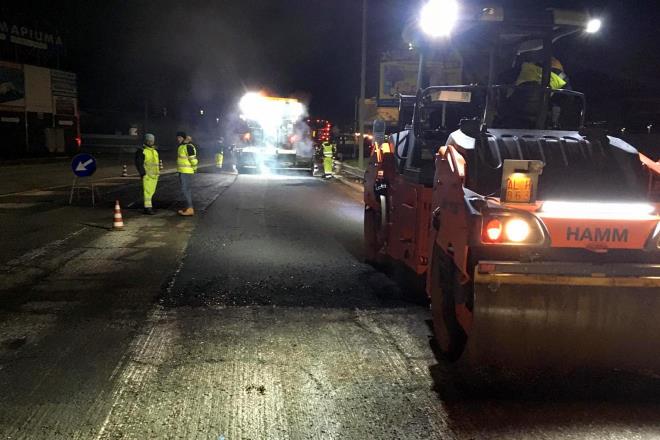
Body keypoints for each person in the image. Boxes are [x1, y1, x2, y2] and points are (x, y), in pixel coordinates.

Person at [134, 133, 159, 215]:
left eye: (152, 140)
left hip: (155, 175)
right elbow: (138, 163)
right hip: (147, 175)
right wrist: (142, 173)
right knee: (147, 192)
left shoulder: (154, 151)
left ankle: (149, 206)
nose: (151, 141)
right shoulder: (142, 151)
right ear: (146, 140)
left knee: (151, 192)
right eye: (149, 140)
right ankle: (148, 208)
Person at [176, 132, 198, 216]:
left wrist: (194, 168)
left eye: (179, 137)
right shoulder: (183, 146)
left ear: (183, 138)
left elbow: (193, 159)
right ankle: (188, 207)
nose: (177, 139)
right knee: (185, 189)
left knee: (185, 189)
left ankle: (190, 208)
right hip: (183, 171)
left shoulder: (188, 146)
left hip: (186, 171)